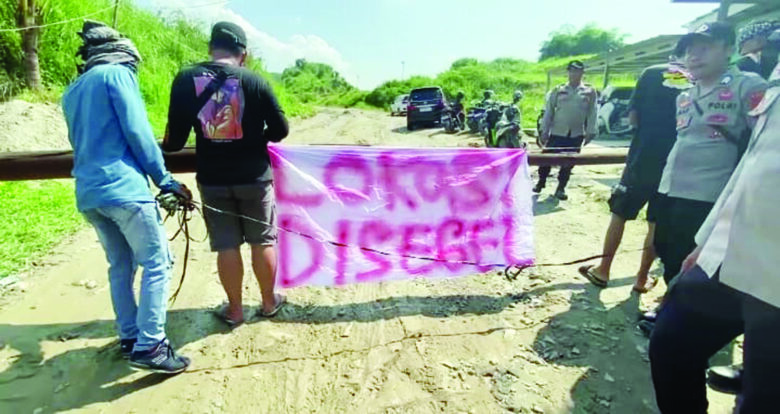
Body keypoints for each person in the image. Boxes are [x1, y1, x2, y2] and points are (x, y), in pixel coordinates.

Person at [649, 58, 780, 414]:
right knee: (672, 343)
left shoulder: (744, 82)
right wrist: (708, 240)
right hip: (735, 250)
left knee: (762, 398)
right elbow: (754, 159)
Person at [62, 21, 191, 374]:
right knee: (157, 262)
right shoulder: (117, 75)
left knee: (120, 265)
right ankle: (151, 345)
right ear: (121, 54)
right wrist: (165, 180)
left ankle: (130, 337)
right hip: (125, 190)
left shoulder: (72, 90)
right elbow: (137, 132)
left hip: (89, 192)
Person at [163, 22, 289, 327]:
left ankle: (235, 311)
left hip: (213, 179)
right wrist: (255, 140)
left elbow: (174, 142)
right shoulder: (255, 81)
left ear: (210, 48)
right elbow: (280, 129)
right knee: (262, 241)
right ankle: (269, 303)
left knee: (226, 245)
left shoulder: (185, 79)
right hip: (255, 177)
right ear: (243, 54)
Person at [652, 22, 767, 289]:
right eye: (688, 50)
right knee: (665, 250)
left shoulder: (748, 86)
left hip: (707, 196)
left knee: (691, 261)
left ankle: (677, 307)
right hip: (669, 189)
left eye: (704, 48)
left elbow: (764, 143)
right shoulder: (685, 95)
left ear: (728, 49)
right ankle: (670, 300)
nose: (693, 56)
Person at [578, 59, 688, 292]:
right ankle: (641, 278)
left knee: (620, 213)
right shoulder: (695, 79)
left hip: (643, 157)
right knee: (655, 223)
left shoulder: (652, 72)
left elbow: (632, 118)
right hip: (675, 162)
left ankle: (603, 270)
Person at [535, 60, 598, 200]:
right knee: (546, 159)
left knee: (568, 162)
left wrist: (591, 131)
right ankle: (541, 182)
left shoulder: (589, 91)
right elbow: (549, 111)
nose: (574, 74)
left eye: (578, 71)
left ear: (582, 73)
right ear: (568, 72)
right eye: (572, 71)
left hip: (576, 133)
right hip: (558, 131)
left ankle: (561, 188)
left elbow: (592, 112)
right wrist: (544, 130)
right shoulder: (559, 90)